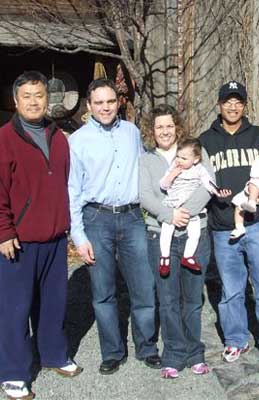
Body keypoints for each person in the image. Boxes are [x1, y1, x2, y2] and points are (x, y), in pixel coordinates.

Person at [0, 71, 81, 400]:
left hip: (54, 238)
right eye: (28, 96)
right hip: (19, 241)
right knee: (14, 309)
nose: (35, 101)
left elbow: (65, 184)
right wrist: (2, 232)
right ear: (16, 100)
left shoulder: (58, 137)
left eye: (39, 95)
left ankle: (53, 354)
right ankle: (12, 372)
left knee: (53, 304)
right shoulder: (2, 141)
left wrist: (66, 226)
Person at [68, 78, 161, 375]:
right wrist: (79, 236)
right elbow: (71, 190)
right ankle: (112, 351)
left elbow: (148, 166)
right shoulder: (78, 140)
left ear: (118, 102)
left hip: (133, 216)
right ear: (89, 105)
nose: (106, 107)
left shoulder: (131, 132)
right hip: (97, 219)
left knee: (144, 286)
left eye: (110, 101)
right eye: (99, 102)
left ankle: (146, 347)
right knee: (103, 290)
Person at [199, 81, 259, 373]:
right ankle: (236, 338)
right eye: (228, 101)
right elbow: (195, 176)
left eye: (238, 101)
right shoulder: (206, 141)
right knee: (231, 291)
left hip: (258, 225)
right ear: (219, 104)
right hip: (223, 228)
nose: (233, 106)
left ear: (245, 105)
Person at [139, 104, 213, 379]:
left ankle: (196, 353)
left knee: (192, 300)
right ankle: (174, 355)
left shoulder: (196, 151)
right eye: (159, 127)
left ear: (177, 127)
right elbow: (145, 194)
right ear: (152, 131)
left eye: (169, 125)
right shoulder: (146, 159)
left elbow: (209, 185)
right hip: (160, 235)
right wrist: (170, 214)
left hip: (196, 233)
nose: (165, 131)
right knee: (168, 300)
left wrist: (185, 214)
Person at [158, 137, 229, 276]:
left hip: (191, 209)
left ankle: (188, 256)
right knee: (166, 231)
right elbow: (163, 185)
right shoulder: (174, 167)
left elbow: (208, 183)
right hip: (173, 205)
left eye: (184, 158)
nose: (179, 160)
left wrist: (217, 192)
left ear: (195, 159)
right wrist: (172, 175)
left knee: (195, 234)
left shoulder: (199, 169)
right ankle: (165, 258)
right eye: (178, 156)